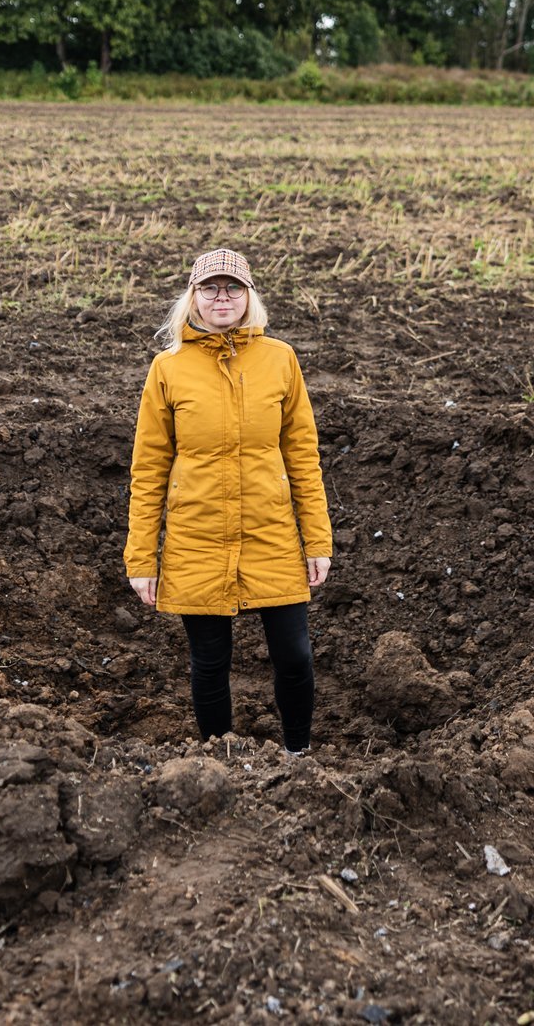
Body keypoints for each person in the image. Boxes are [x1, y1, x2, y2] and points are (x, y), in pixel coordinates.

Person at [123, 248, 333, 754]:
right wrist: (140, 557)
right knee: (210, 663)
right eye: (210, 288)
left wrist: (317, 539)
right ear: (193, 298)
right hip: (198, 537)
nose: (222, 297)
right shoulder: (167, 368)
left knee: (294, 657)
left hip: (271, 534)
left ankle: (297, 755)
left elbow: (303, 456)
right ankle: (219, 759)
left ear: (249, 297)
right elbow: (148, 470)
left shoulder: (280, 359)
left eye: (233, 288)